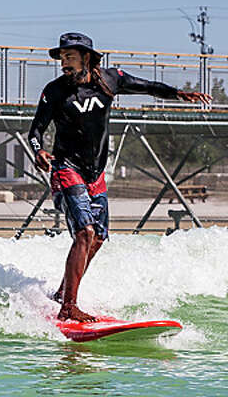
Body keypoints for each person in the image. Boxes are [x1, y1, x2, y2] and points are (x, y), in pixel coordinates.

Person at [27, 33, 211, 322]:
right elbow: (35, 130)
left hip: (95, 174)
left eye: (70, 57)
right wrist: (38, 151)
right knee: (84, 233)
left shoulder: (110, 80)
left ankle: (64, 293)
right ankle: (68, 307)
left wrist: (179, 94)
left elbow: (148, 87)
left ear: (87, 58)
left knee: (98, 237)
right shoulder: (54, 91)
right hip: (66, 168)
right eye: (62, 59)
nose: (64, 64)